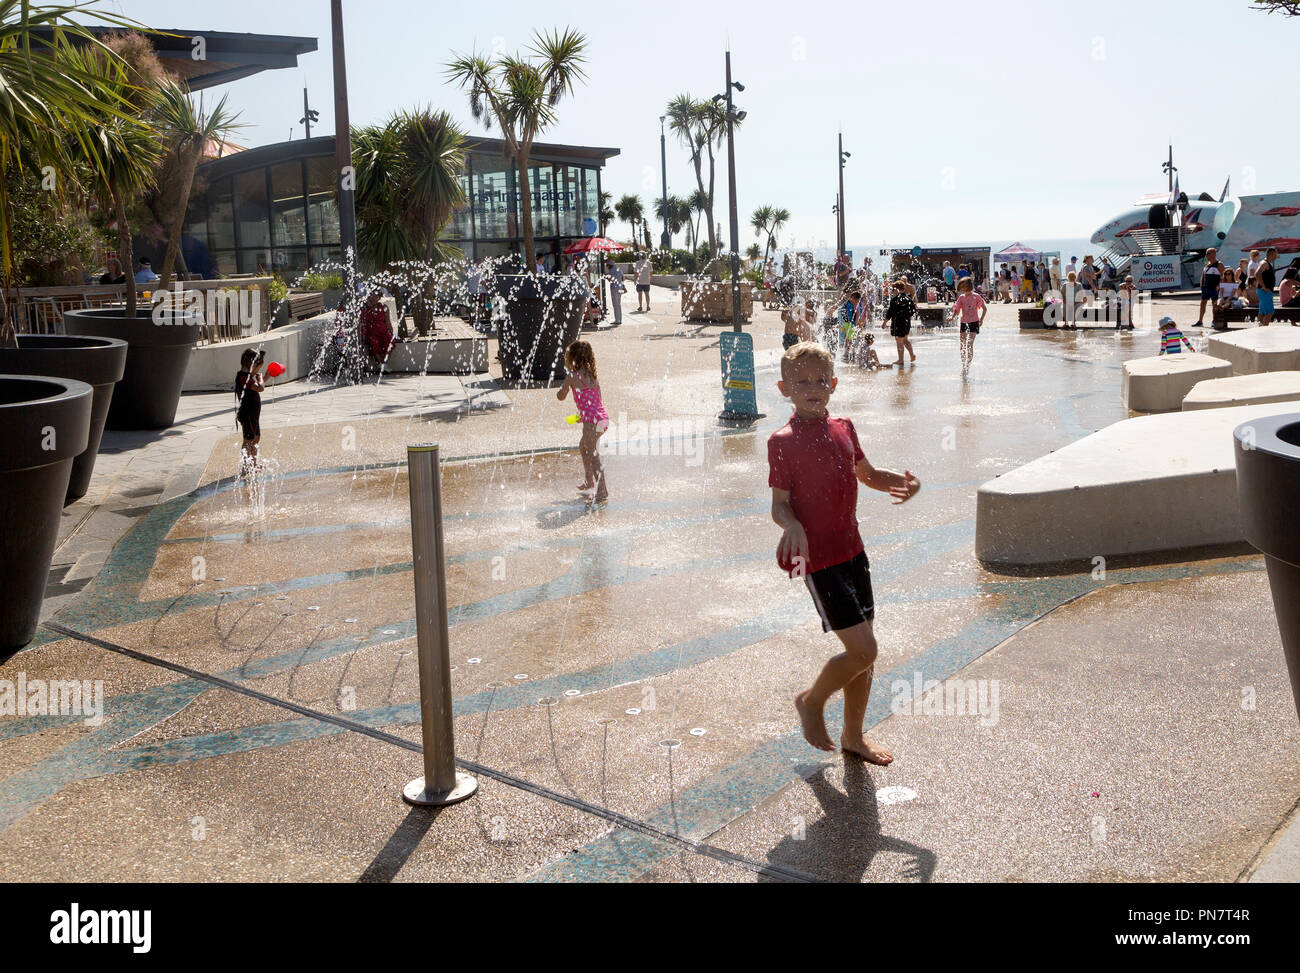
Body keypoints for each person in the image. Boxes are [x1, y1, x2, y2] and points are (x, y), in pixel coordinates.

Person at [768, 341, 920, 761]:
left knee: (863, 653)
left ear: (833, 384)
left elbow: (868, 475)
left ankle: (853, 736)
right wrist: (792, 524)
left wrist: (902, 482)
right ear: (785, 388)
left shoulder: (845, 427)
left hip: (854, 552)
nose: (812, 387)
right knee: (864, 650)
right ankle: (812, 701)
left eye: (820, 380)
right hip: (821, 562)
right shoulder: (782, 441)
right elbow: (779, 504)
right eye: (801, 382)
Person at [557, 340, 609, 502]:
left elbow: (561, 396)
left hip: (591, 423)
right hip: (601, 419)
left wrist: (561, 390)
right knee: (584, 446)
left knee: (593, 453)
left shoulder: (572, 376)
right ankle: (589, 480)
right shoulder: (592, 375)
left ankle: (602, 490)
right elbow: (595, 401)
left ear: (571, 358)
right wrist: (579, 417)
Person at [235, 348, 265, 470]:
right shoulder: (244, 377)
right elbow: (260, 388)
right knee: (248, 439)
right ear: (252, 365)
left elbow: (258, 386)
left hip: (253, 414)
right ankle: (246, 466)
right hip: (247, 414)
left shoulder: (248, 377)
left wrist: (265, 376)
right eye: (258, 367)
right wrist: (261, 379)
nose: (258, 370)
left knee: (256, 437)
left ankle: (253, 463)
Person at [948, 277, 987, 374]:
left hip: (974, 322)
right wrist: (952, 317)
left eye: (963, 286)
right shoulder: (961, 298)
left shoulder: (976, 296)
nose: (962, 289)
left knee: (969, 344)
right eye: (961, 287)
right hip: (964, 323)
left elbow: (984, 309)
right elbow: (957, 310)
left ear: (968, 286)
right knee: (962, 345)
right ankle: (963, 365)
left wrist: (981, 320)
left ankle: (967, 366)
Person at [884, 279, 916, 365]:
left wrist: (884, 323)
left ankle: (900, 359)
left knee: (899, 342)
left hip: (898, 323)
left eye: (893, 289)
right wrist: (906, 316)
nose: (892, 291)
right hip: (906, 322)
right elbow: (913, 310)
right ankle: (912, 355)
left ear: (896, 289)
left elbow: (890, 312)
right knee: (905, 340)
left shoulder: (895, 300)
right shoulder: (908, 298)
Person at [360, 289, 394, 365]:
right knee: (374, 343)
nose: (373, 298)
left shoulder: (384, 307)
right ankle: (381, 363)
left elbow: (388, 322)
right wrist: (368, 306)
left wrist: (392, 333)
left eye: (376, 296)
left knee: (390, 342)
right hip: (372, 333)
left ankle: (384, 362)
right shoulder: (365, 308)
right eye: (371, 296)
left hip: (383, 331)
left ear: (379, 298)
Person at [1196, 248, 1222, 328]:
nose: (1206, 255)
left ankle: (1214, 321)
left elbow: (1223, 276)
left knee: (1214, 305)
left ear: (1214, 254)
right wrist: (1201, 285)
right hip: (1205, 287)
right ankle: (1200, 321)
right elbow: (1203, 275)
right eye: (1206, 253)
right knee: (1202, 304)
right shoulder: (1207, 264)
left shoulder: (1219, 264)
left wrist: (1219, 285)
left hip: (1214, 288)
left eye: (1208, 253)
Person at [1256, 247, 1278, 326]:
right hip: (1265, 291)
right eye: (1275, 254)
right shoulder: (1264, 263)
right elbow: (1257, 274)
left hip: (1263, 291)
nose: (1276, 256)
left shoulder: (1266, 263)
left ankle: (1260, 329)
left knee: (1262, 312)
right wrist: (1264, 287)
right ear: (1271, 254)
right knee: (1269, 312)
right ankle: (1264, 330)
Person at [605, 257, 625, 325]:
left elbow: (611, 280)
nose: (606, 267)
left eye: (607, 265)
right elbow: (623, 278)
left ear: (609, 265)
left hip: (614, 288)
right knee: (619, 304)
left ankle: (617, 320)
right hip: (620, 287)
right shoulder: (618, 268)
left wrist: (607, 278)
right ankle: (620, 319)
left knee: (615, 305)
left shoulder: (611, 270)